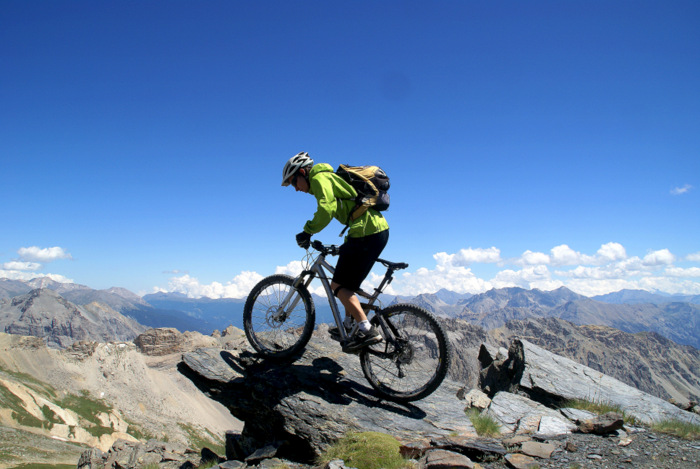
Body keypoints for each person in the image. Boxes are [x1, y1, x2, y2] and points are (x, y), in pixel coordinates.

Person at [282, 151, 390, 352]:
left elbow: (327, 208)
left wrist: (307, 231)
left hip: (367, 232)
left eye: (293, 182)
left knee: (338, 286)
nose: (295, 189)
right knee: (350, 285)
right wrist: (344, 245)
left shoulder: (319, 177)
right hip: (374, 231)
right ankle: (349, 326)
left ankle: (367, 330)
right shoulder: (327, 178)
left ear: (303, 172)